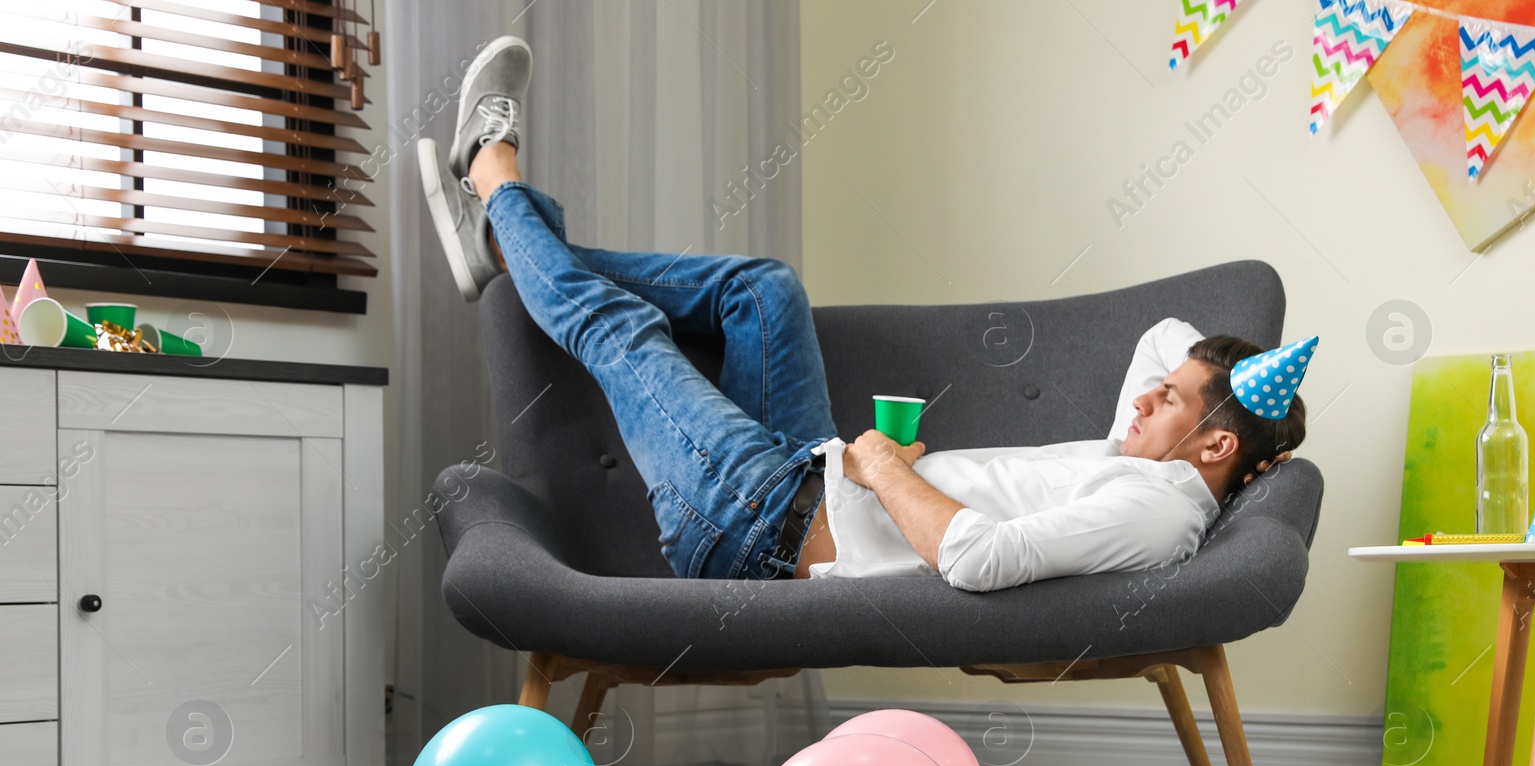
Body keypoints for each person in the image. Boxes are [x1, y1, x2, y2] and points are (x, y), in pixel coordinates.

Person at [418, 36, 1308, 594]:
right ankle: (515, 249)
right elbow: (1167, 345)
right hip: (807, 477)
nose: (1144, 395)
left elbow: (977, 562)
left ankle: (491, 174)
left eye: (1169, 398)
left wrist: (884, 470)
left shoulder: (1150, 513)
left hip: (762, 528)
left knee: (627, 333)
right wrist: (1198, 402)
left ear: (1217, 447)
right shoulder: (1153, 458)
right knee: (763, 290)